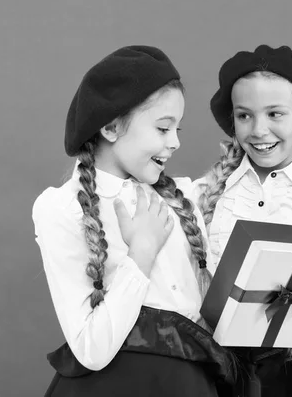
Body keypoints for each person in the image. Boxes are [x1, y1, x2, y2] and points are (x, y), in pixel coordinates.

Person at [32, 45, 235, 397]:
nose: (174, 143)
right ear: (110, 127)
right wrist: (140, 253)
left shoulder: (181, 198)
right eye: (162, 128)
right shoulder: (62, 208)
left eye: (178, 130)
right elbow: (90, 350)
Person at [194, 44, 292, 396]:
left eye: (275, 114)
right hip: (216, 367)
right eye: (244, 115)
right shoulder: (202, 194)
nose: (259, 130)